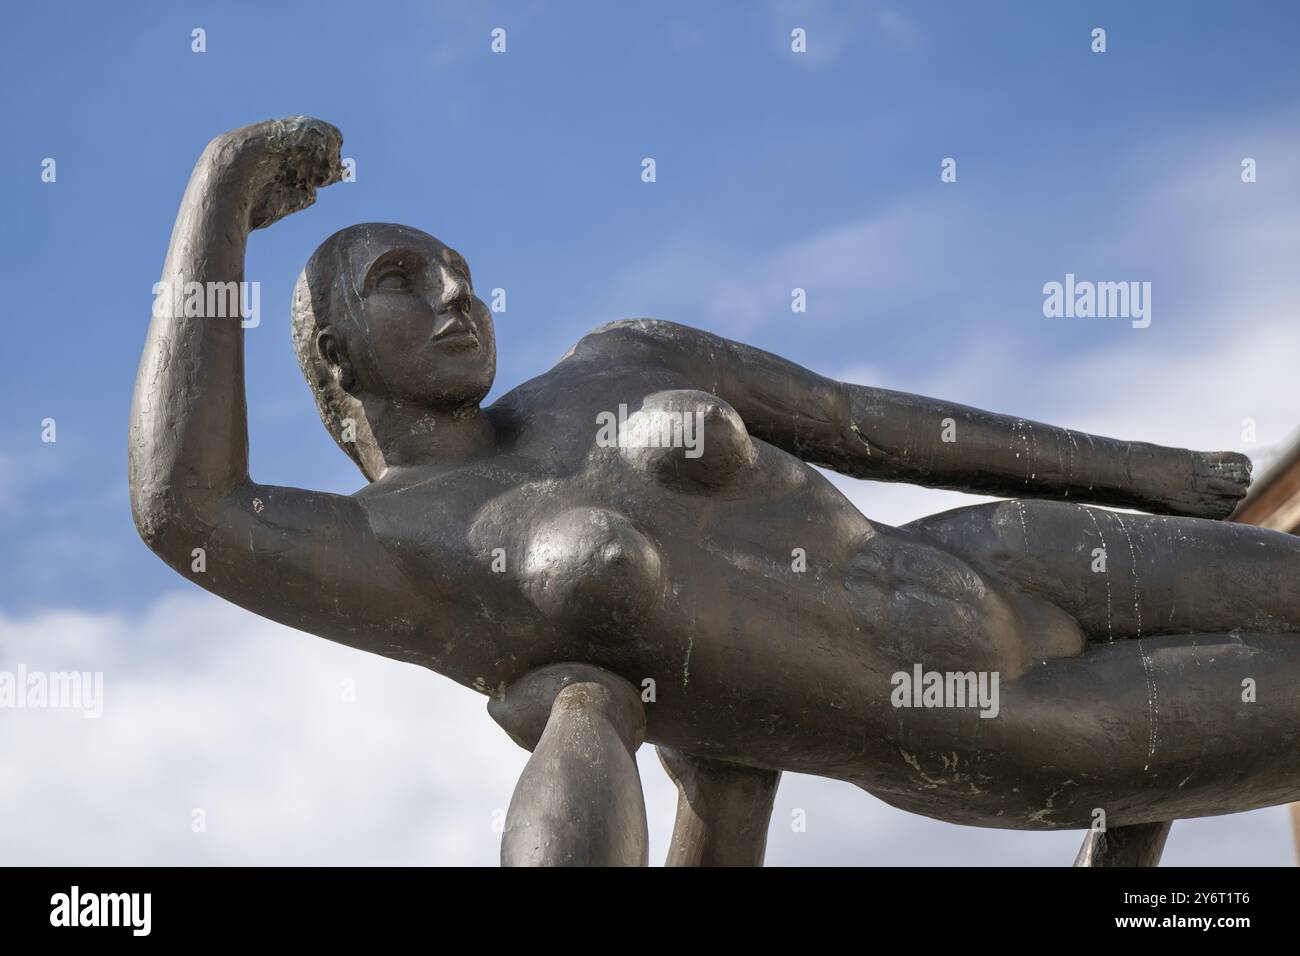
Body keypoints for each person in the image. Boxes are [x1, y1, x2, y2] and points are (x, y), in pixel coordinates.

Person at [130, 117, 1299, 835]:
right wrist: (223, 189)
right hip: (999, 724)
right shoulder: (399, 548)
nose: (456, 296)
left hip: (987, 553)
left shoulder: (614, 358)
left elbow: (867, 420)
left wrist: (1141, 468)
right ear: (333, 353)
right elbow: (184, 505)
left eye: (463, 270)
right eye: (404, 279)